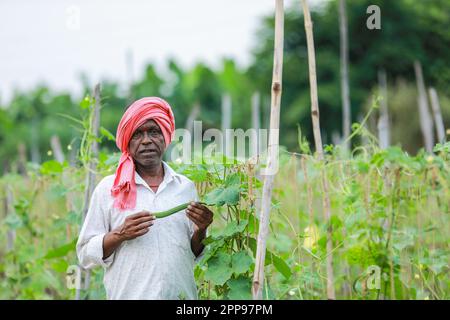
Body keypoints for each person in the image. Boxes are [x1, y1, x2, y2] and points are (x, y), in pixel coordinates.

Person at [76, 97, 213, 299]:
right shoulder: (108, 189)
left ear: (165, 137)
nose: (147, 140)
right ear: (127, 141)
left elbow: (193, 252)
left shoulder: (184, 187)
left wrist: (201, 230)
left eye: (154, 132)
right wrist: (120, 234)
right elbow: (85, 254)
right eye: (137, 134)